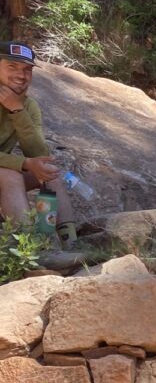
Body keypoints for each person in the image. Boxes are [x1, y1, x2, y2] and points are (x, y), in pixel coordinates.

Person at [0, 41, 77, 240]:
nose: (21, 75)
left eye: (27, 69)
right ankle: (27, 247)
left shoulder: (29, 106)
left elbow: (39, 153)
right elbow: (26, 161)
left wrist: (17, 110)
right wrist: (24, 163)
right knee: (10, 176)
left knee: (49, 174)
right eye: (12, 66)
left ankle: (65, 242)